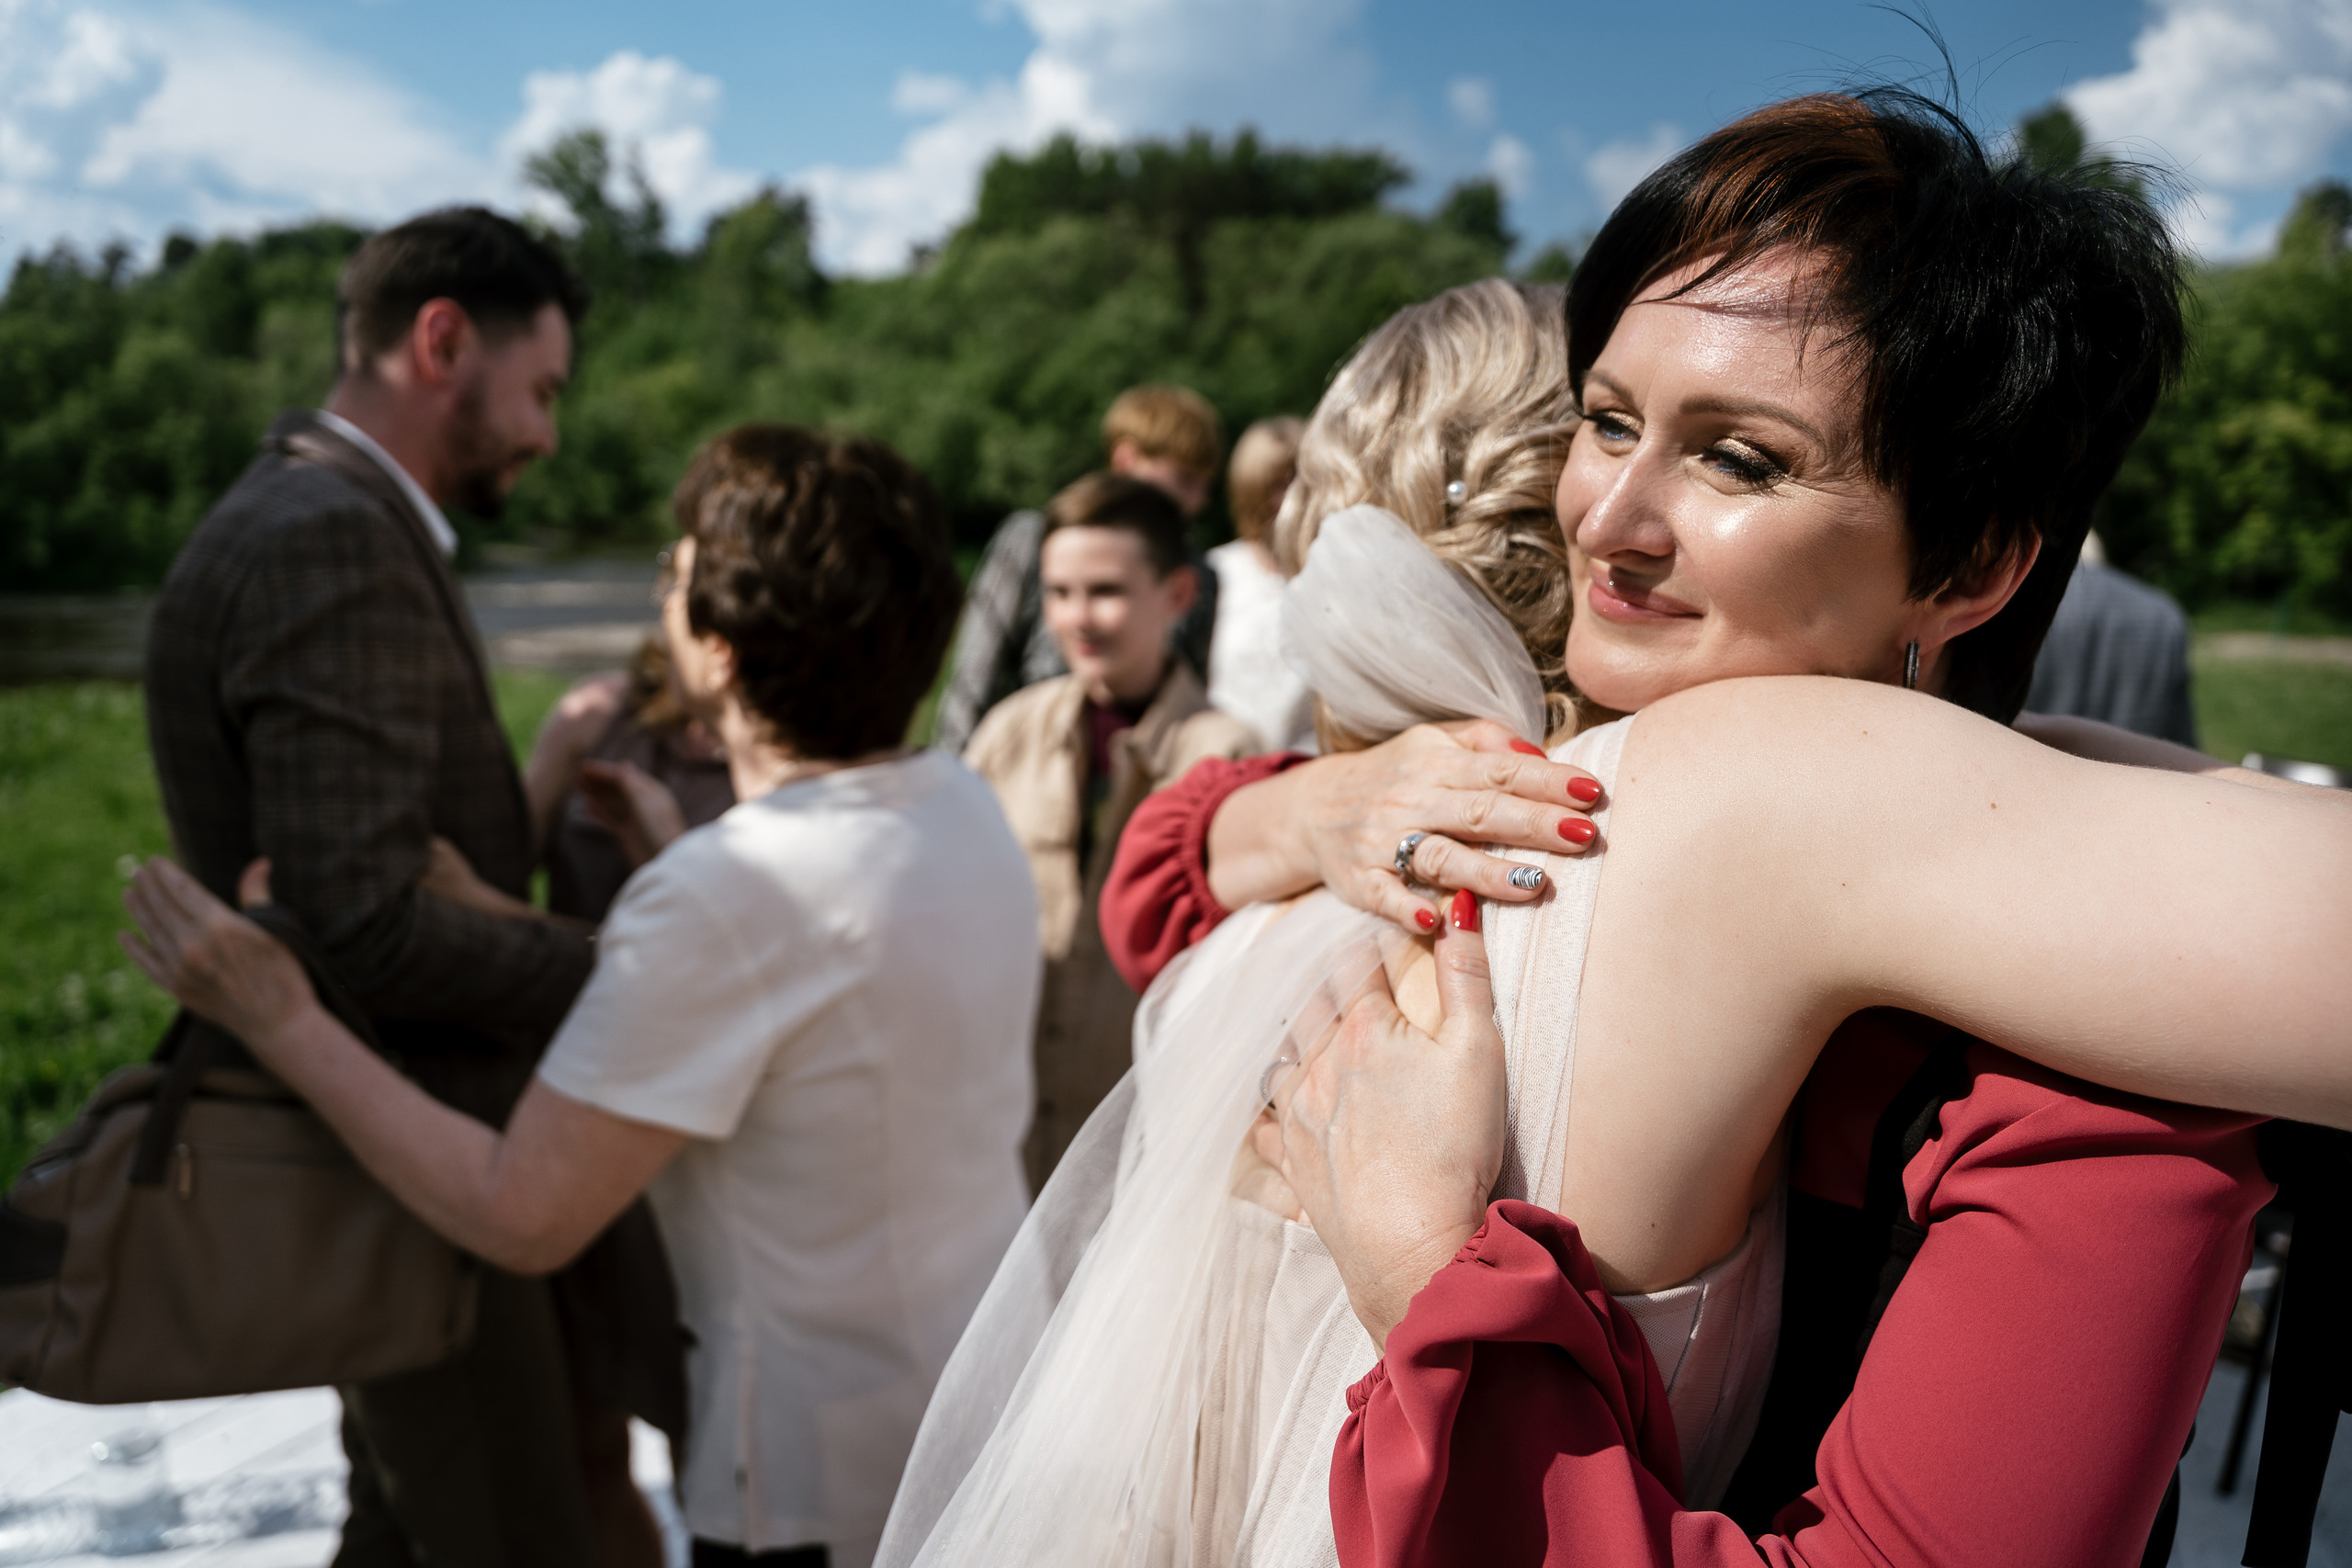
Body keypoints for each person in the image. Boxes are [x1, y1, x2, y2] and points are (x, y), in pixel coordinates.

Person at [1102, 93, 2352, 1564]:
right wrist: (1304, 806)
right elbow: (1163, 894)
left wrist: (1436, 1283)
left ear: (1969, 563)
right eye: (1609, 422)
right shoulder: (1514, 789)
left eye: (1739, 459)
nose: (1612, 517)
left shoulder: (2103, 1038)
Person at [126, 425, 1043, 1568]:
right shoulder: (956, 800)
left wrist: (282, 1019)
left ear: (714, 646)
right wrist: (637, 891)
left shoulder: (731, 893)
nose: (663, 586)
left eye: (675, 568)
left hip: (813, 1484)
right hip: (984, 1403)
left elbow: (521, 1212)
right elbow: (796, 1008)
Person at [140, 205, 681, 1568]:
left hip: (420, 1150)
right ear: (443, 340)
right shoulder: (329, 533)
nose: (551, 433)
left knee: (411, 1521)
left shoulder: (325, 511)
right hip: (426, 1163)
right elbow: (365, 924)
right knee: (508, 1533)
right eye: (544, 389)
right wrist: (640, 977)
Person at [964, 472, 1256, 1190]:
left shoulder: (1228, 757)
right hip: (996, 1135)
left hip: (1138, 1146)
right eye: (1059, 593)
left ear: (1178, 595)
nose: (1078, 617)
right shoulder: (1007, 734)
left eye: (1106, 591)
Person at [933, 385, 1227, 754]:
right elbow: (972, 680)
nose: (1197, 500)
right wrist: (957, 781)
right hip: (1024, 762)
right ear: (1126, 459)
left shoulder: (1198, 574)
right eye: (1184, 479)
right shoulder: (1032, 540)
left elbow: (1191, 692)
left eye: (1204, 484)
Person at [2024, 531, 2199, 745]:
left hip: (2030, 769)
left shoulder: (2019, 610)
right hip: (2138, 771)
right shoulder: (2162, 614)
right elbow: (2180, 738)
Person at [1205, 417, 1314, 752]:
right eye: (1277, 485)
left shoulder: (1337, 574)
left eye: (1302, 483)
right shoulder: (1217, 573)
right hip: (1230, 762)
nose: (1289, 499)